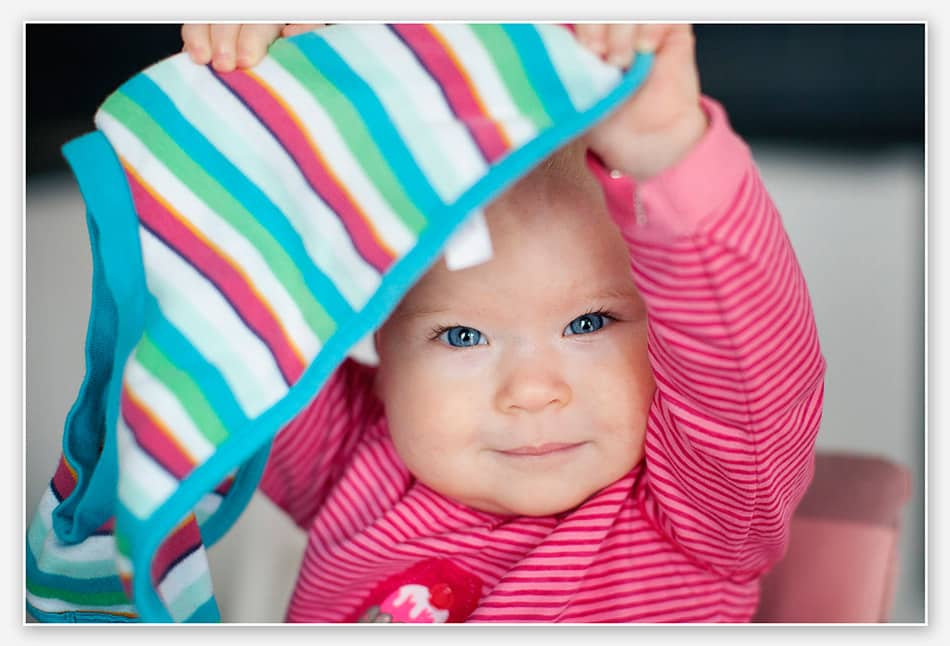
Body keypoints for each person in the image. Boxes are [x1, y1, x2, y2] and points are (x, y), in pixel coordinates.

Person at [178, 22, 826, 623]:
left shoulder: (703, 508)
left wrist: (662, 148)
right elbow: (227, 327)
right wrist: (258, 121)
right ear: (381, 346)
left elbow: (748, 373)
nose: (533, 390)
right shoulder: (354, 459)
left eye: (590, 322)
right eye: (462, 336)